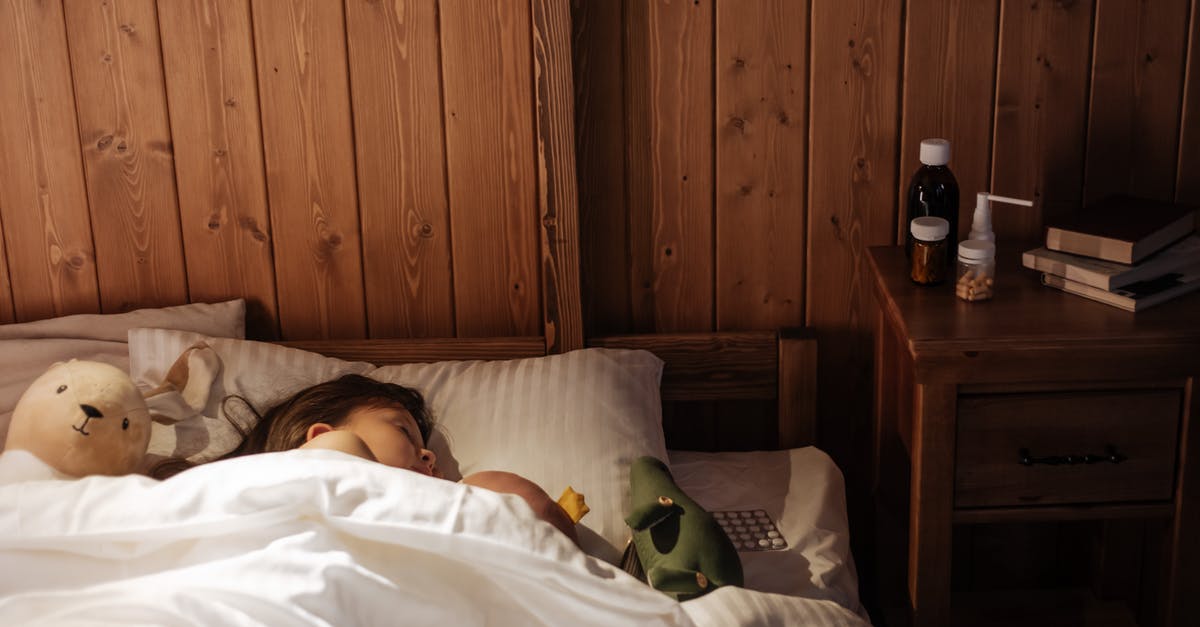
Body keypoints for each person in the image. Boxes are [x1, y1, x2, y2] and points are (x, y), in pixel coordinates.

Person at [223, 374, 580, 546]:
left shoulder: (454, 503)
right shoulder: (328, 457)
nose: (430, 455)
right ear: (319, 437)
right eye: (405, 432)